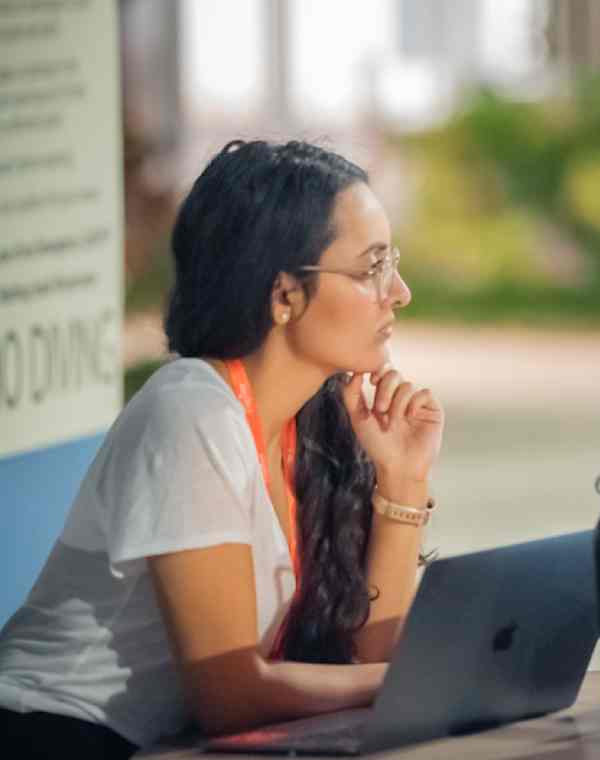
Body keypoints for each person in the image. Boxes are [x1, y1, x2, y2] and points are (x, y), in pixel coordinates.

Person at [0, 140, 444, 759]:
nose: (398, 291)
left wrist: (401, 480)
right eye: (371, 268)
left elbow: (365, 658)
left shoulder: (312, 424)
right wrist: (415, 681)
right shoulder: (191, 409)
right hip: (46, 735)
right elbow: (230, 695)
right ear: (284, 295)